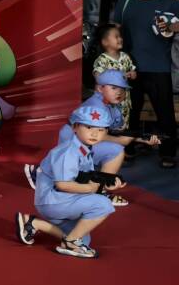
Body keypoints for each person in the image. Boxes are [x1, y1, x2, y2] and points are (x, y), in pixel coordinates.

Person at [25, 70, 158, 207]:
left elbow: (115, 131)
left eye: (122, 89)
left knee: (104, 155)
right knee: (115, 150)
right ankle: (99, 191)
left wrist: (141, 139)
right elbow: (96, 134)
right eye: (113, 88)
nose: (119, 92)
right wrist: (120, 141)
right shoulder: (96, 106)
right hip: (73, 142)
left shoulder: (112, 107)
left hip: (82, 144)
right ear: (100, 88)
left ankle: (43, 172)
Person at [15, 105, 124, 259]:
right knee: (103, 204)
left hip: (62, 199)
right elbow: (63, 185)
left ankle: (33, 223)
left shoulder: (84, 148)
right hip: (52, 200)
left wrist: (105, 183)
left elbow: (82, 177)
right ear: (74, 127)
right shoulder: (68, 152)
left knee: (83, 239)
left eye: (101, 130)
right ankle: (70, 243)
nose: (95, 133)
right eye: (88, 127)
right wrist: (92, 189)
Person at [112, 0, 179, 168]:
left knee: (165, 113)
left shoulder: (170, 3)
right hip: (128, 67)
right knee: (129, 113)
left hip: (159, 67)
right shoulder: (125, 1)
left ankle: (168, 153)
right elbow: (115, 29)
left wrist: (173, 27)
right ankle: (128, 149)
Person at [90, 23, 136, 123]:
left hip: (123, 99)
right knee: (107, 120)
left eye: (120, 36)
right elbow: (97, 76)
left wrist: (132, 74)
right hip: (108, 100)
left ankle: (121, 131)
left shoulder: (125, 57)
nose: (120, 39)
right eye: (116, 36)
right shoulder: (102, 60)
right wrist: (114, 78)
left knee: (122, 122)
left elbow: (133, 73)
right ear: (105, 42)